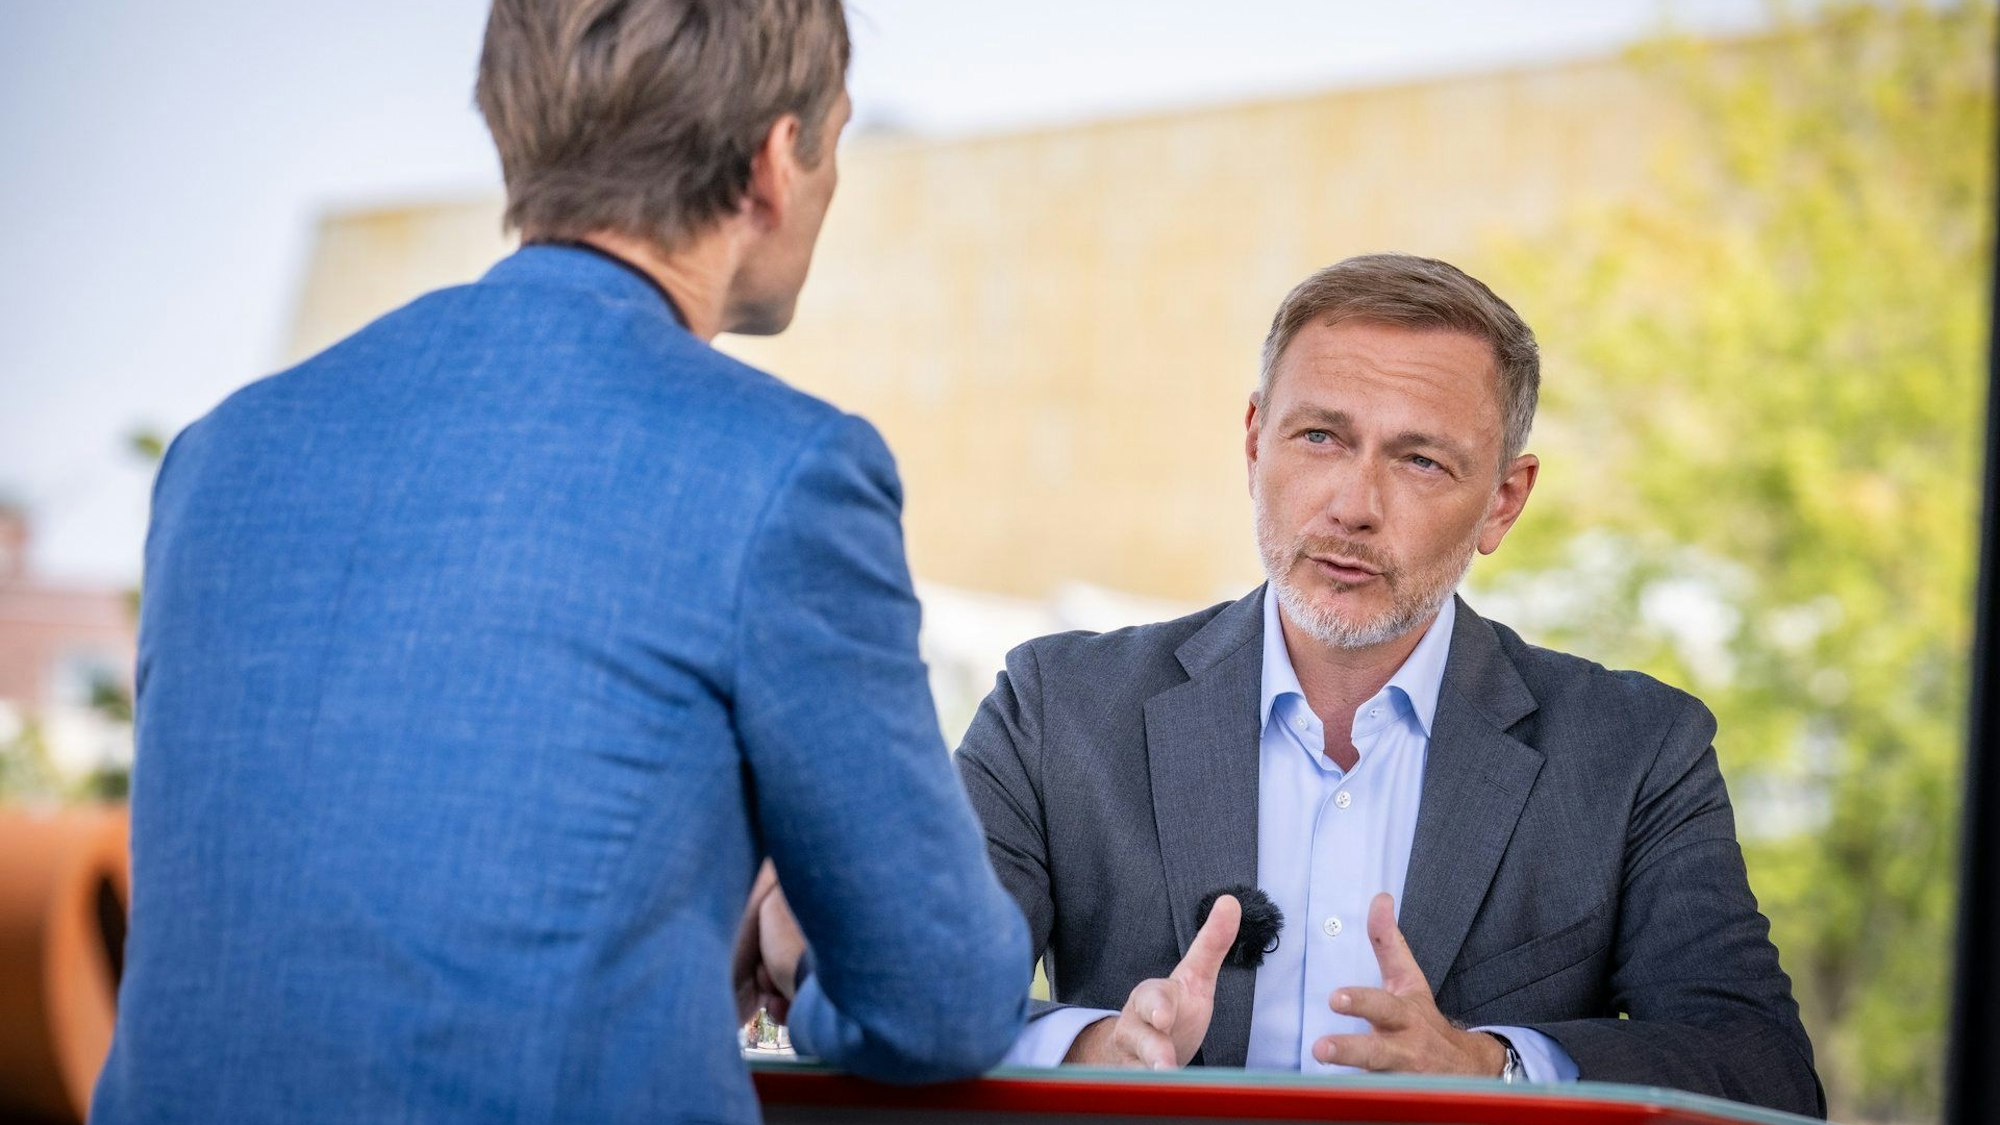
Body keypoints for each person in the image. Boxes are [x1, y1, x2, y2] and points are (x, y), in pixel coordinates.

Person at [93, 2, 1028, 1121]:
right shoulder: (786, 472)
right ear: (778, 161)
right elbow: (940, 998)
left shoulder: (221, 454)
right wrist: (797, 960)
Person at [953, 253, 1825, 1117]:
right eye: (1320, 437)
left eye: (1420, 460)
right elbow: (905, 996)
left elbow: (1764, 1070)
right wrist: (1093, 1051)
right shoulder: (1056, 708)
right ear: (1255, 443)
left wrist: (1495, 1070)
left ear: (1503, 501)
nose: (1354, 505)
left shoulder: (1634, 751)